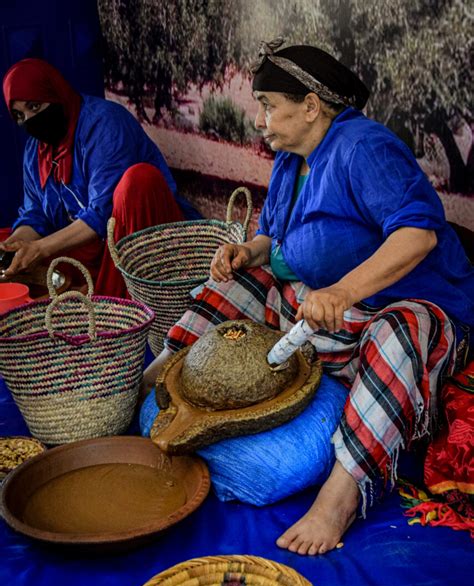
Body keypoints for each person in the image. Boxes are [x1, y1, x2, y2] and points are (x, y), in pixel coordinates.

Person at [142, 39, 474, 555]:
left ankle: (338, 499)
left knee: (399, 330)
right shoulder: (292, 159)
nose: (259, 119)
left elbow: (418, 233)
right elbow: (275, 237)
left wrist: (341, 291)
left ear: (312, 107)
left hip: (407, 310)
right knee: (238, 282)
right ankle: (159, 376)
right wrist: (249, 253)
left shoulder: (363, 148)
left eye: (269, 106)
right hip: (325, 309)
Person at [1, 58, 197, 296]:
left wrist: (39, 248)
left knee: (139, 181)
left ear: (55, 93)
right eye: (19, 116)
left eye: (34, 106)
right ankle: (89, 289)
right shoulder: (36, 151)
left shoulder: (103, 124)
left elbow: (102, 214)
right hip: (93, 248)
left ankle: (115, 299)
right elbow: (35, 215)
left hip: (140, 238)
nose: (30, 121)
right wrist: (13, 247)